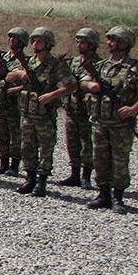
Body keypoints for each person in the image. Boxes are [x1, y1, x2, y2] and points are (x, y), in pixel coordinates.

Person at [85, 26, 138, 214]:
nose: (109, 43)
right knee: (100, 158)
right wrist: (92, 85)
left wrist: (133, 109)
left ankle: (118, 197)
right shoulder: (102, 66)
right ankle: (102, 194)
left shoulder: (135, 67)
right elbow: (83, 81)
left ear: (124, 43)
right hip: (100, 121)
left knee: (120, 160)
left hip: (120, 124)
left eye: (113, 40)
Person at [10, 27, 77, 198]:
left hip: (44, 115)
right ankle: (29, 178)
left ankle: (42, 182)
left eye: (39, 41)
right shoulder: (29, 62)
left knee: (46, 148)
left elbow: (71, 85)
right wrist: (20, 74)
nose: (34, 44)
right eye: (33, 41)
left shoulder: (55, 65)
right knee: (27, 146)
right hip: (27, 112)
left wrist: (52, 95)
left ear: (48, 44)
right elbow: (9, 77)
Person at [58, 27, 102, 189]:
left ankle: (86, 176)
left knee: (87, 143)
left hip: (88, 110)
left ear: (92, 45)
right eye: (77, 41)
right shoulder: (73, 62)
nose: (79, 45)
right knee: (72, 142)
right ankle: (74, 174)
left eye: (83, 42)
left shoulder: (98, 64)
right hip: (71, 108)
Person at [0, 27, 29, 176]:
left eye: (15, 38)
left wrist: (19, 87)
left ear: (22, 42)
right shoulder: (3, 58)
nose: (11, 40)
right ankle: (3, 163)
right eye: (11, 37)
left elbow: (31, 81)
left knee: (15, 136)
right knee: (1, 134)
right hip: (1, 103)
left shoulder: (25, 61)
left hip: (15, 105)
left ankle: (14, 165)